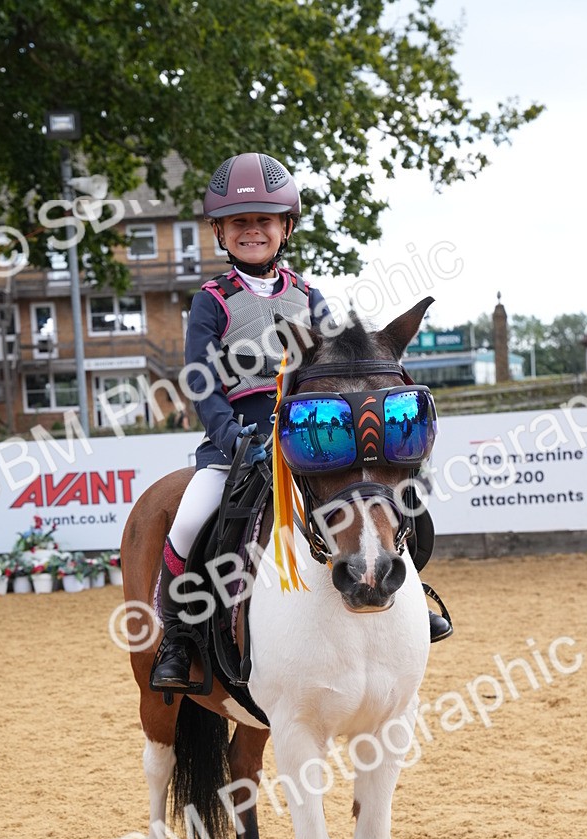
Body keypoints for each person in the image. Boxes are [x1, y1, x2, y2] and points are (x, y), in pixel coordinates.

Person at [152, 153, 451, 692]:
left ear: (285, 227)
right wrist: (230, 434)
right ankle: (177, 636)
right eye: (240, 223)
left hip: (309, 433)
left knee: (399, 503)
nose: (252, 231)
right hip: (236, 442)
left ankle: (410, 595)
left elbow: (324, 370)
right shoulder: (210, 301)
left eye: (264, 221)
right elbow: (201, 381)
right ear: (221, 231)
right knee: (190, 518)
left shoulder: (307, 295)